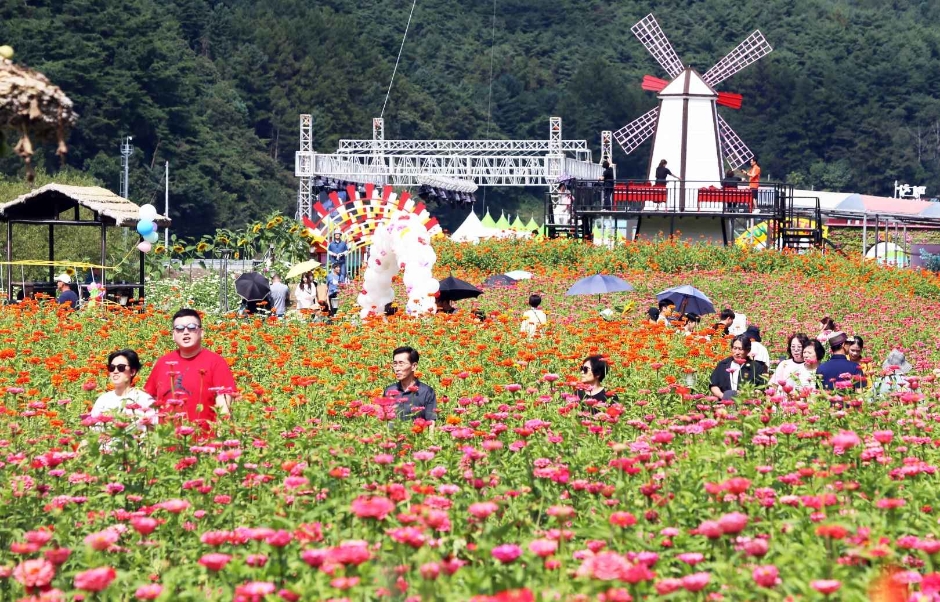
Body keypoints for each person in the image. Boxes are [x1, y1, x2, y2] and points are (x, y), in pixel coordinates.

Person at [143, 309, 237, 428]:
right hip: (167, 441)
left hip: (203, 443)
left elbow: (224, 406)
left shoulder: (216, 363)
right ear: (173, 335)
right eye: (179, 328)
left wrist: (222, 438)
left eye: (192, 327)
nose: (186, 332)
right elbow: (150, 401)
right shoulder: (163, 363)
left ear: (201, 332)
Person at [90, 349, 157, 430]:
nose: (115, 371)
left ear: (132, 372)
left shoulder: (144, 399)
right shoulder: (103, 399)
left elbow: (155, 429)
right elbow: (93, 430)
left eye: (120, 368)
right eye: (111, 368)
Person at [384, 346, 437, 428]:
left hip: (417, 438)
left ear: (414, 366)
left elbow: (431, 421)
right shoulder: (390, 390)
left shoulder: (426, 392)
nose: (397, 369)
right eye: (395, 364)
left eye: (401, 364)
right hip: (393, 438)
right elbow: (383, 419)